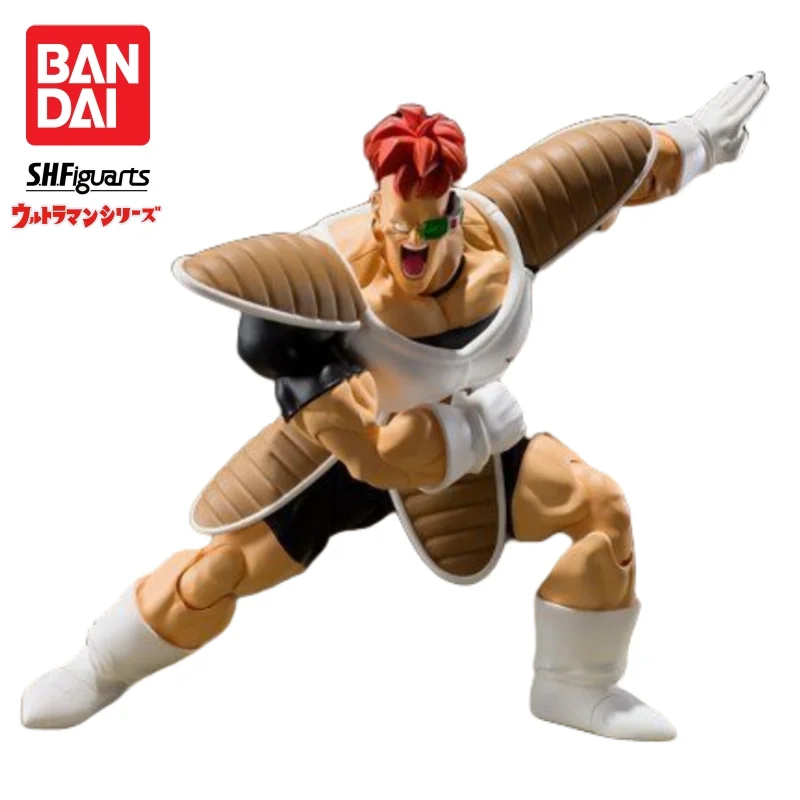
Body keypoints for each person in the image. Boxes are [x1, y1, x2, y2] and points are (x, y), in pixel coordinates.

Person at [22, 73, 768, 740]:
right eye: (399, 227)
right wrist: (474, 430)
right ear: (377, 212)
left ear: (455, 211)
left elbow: (619, 174)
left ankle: (575, 686)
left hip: (467, 434)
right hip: (353, 449)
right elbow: (379, 459)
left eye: (433, 227)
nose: (415, 246)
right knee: (218, 572)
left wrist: (697, 143)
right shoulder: (319, 296)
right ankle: (100, 666)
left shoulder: (504, 236)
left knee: (602, 511)